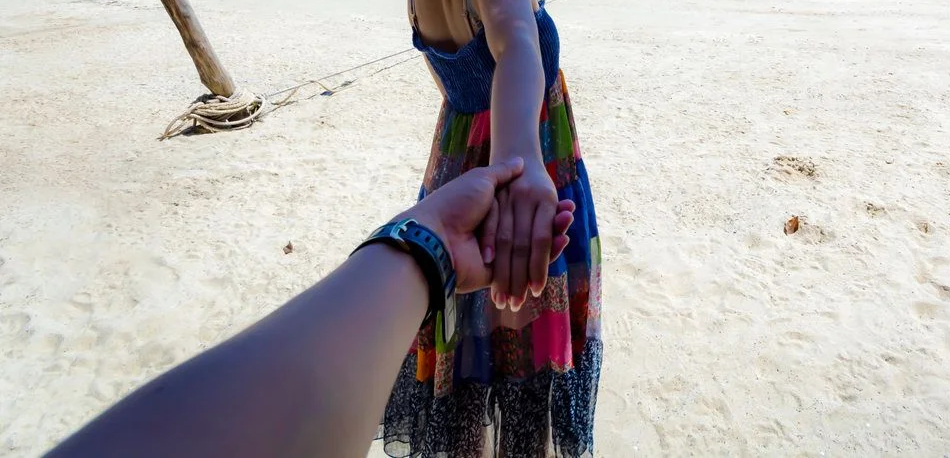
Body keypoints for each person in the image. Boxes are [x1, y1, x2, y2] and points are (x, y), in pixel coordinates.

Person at [48, 160, 576, 458]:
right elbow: (514, 50)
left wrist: (429, 239)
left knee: (456, 364)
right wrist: (525, 168)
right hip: (496, 206)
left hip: (453, 172)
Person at [391, 0, 601, 457]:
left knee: (466, 331)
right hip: (529, 159)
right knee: (526, 328)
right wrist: (519, 161)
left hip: (455, 166)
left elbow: (456, 91)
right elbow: (516, 52)